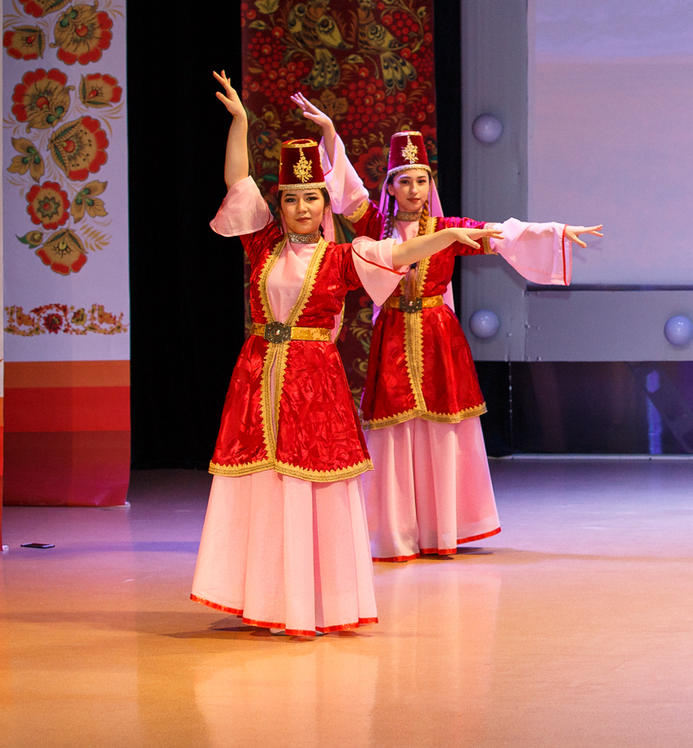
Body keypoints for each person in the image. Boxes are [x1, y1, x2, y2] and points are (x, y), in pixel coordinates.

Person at [193, 72, 494, 636]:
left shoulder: (341, 257)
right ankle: (262, 595)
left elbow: (397, 252)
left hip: (315, 383)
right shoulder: (262, 243)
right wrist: (240, 123)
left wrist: (447, 237)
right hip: (258, 376)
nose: (302, 207)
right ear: (280, 205)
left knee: (311, 482)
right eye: (291, 199)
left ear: (324, 202)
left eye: (311, 197)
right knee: (261, 480)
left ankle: (315, 601)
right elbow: (237, 181)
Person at [296, 96, 602, 562]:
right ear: (391, 185)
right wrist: (330, 134)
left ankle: (443, 530)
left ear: (430, 184)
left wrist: (555, 231)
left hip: (438, 337)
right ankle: (396, 531)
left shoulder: (447, 227)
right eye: (405, 181)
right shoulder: (376, 224)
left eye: (421, 180)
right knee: (395, 431)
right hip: (392, 335)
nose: (414, 189)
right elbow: (349, 193)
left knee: (442, 429)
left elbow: (499, 233)